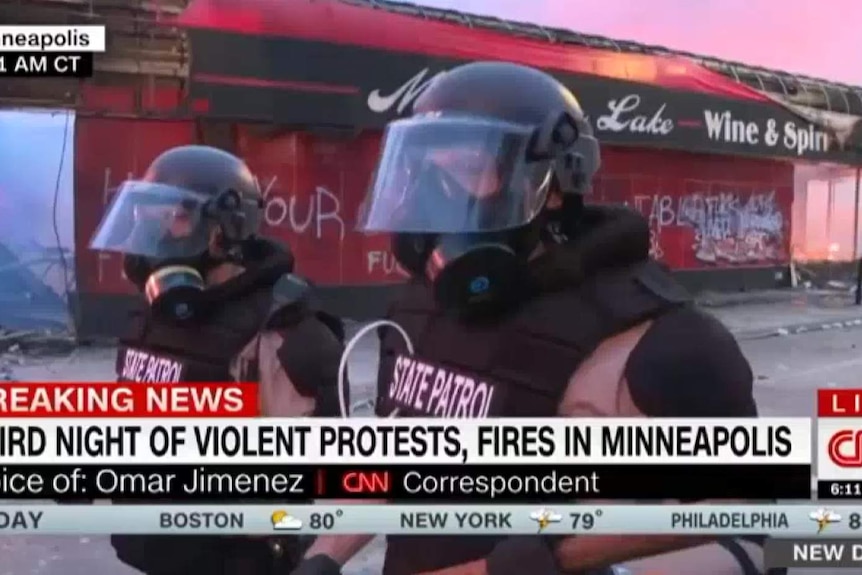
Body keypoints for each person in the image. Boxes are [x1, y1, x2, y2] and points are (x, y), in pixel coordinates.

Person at [290, 62, 780, 575]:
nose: (440, 199)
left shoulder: (665, 343)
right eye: (426, 172)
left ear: (552, 186)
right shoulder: (420, 310)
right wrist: (326, 554)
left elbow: (750, 536)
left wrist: (564, 562)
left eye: (467, 170)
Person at [89, 145, 346, 575]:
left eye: (178, 216)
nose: (159, 232)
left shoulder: (286, 335)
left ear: (226, 230)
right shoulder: (154, 315)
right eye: (150, 215)